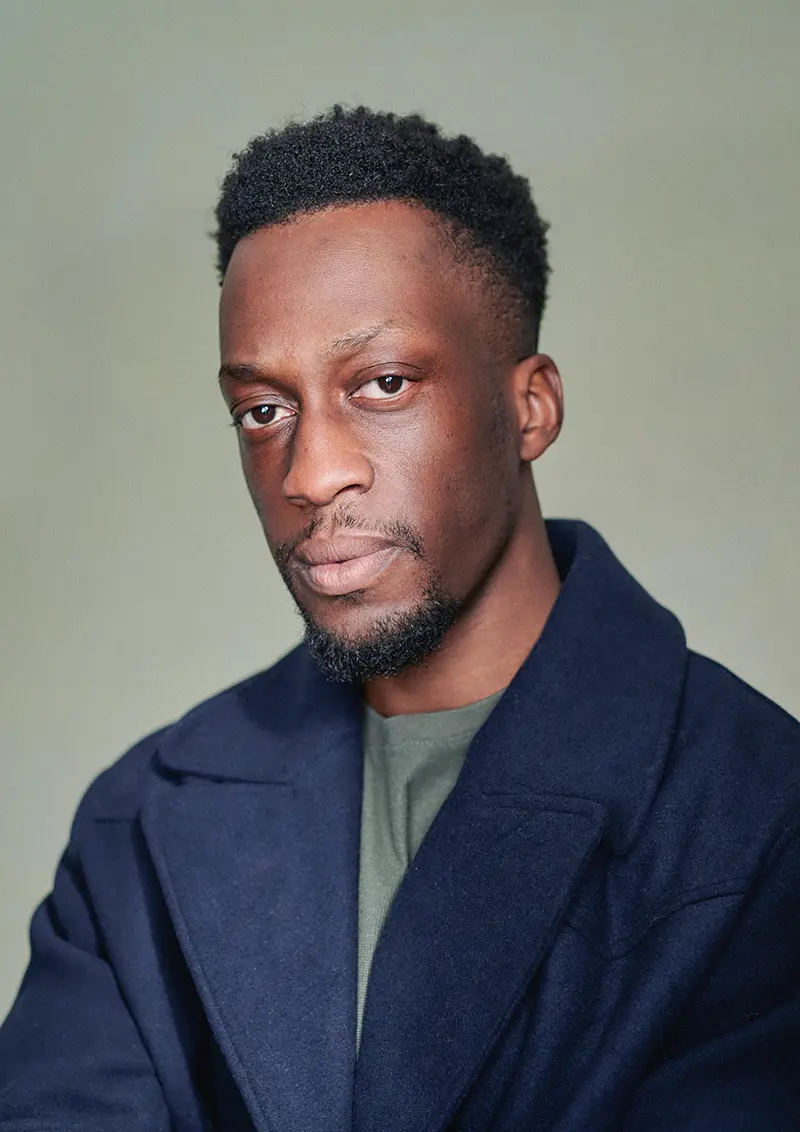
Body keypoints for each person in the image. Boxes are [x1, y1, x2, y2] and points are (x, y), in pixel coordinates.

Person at [1, 105, 798, 1132]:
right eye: (263, 409)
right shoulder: (138, 824)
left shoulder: (758, 816)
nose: (308, 471)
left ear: (530, 408)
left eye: (381, 383)